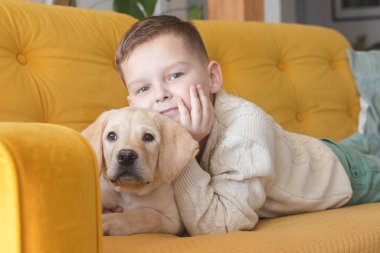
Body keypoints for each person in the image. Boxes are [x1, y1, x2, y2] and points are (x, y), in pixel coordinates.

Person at [114, 15, 380, 236]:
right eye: (143, 88)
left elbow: (220, 224)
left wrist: (186, 148)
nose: (159, 94)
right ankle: (362, 141)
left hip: (341, 174)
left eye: (175, 75)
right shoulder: (148, 137)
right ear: (131, 104)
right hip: (298, 153)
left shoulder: (245, 127)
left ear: (212, 77)